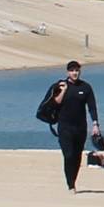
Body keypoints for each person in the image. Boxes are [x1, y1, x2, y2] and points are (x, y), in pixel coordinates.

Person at [39, 61, 100, 191]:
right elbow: (54, 103)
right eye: (72, 70)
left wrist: (95, 124)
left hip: (80, 127)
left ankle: (73, 180)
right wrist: (63, 91)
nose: (75, 73)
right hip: (64, 127)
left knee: (77, 156)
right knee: (68, 155)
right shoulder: (60, 85)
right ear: (68, 72)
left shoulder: (86, 87)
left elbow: (92, 107)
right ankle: (70, 184)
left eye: (77, 70)